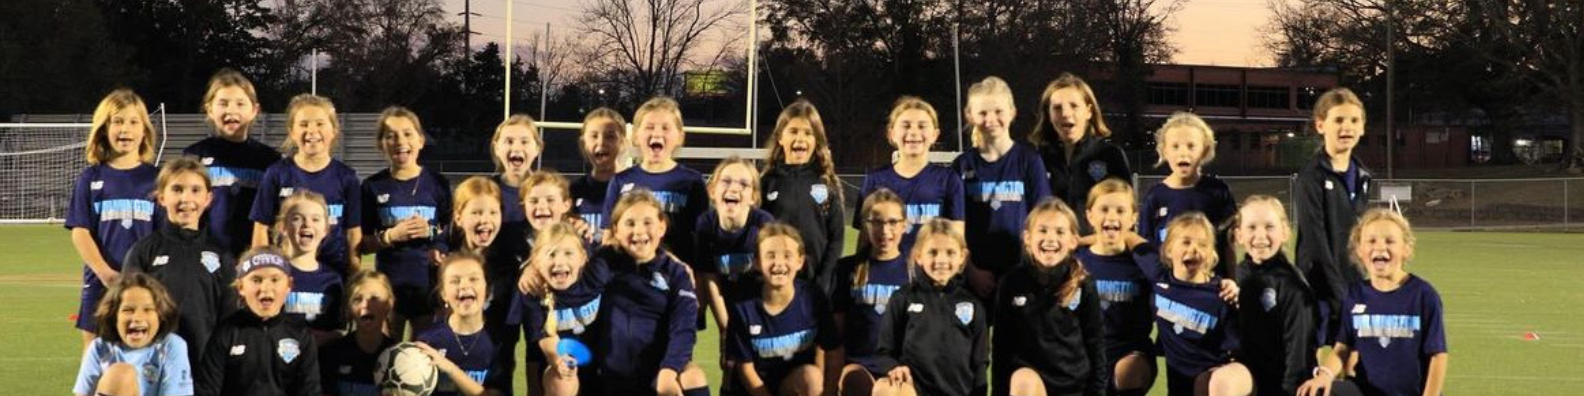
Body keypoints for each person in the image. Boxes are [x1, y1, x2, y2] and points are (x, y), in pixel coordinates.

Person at [1298, 209, 1448, 396]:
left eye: (1390, 241)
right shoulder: (1354, 295)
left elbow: (1437, 355)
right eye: (1371, 241)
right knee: (1318, 391)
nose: (1380, 247)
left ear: (1406, 249)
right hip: (1364, 390)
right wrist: (1325, 375)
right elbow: (1342, 348)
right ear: (1359, 250)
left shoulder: (1423, 295)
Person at [587, 191, 710, 396]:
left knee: (692, 376)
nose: (639, 232)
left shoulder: (676, 272)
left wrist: (669, 370)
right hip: (607, 378)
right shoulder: (603, 261)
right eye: (630, 223)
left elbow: (684, 329)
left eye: (647, 222)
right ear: (616, 230)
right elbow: (567, 263)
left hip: (656, 378)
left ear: (662, 227)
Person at [67, 88, 160, 344]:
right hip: (100, 284)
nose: (125, 129)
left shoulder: (156, 179)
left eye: (133, 122)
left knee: (143, 361)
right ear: (104, 129)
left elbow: (163, 237)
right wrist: (106, 274)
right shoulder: (91, 178)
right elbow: (80, 231)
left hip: (146, 285)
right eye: (117, 122)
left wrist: (149, 277)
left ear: (144, 130)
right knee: (95, 362)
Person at [122, 157, 235, 365]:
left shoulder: (221, 255)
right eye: (177, 189)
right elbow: (128, 308)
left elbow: (229, 317)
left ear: (208, 199)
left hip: (206, 365)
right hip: (155, 362)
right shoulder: (144, 251)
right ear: (161, 197)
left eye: (195, 190)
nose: (186, 198)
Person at [953, 76, 1053, 300]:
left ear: (1012, 112)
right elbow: (953, 229)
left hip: (1021, 274)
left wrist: (1028, 269)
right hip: (974, 277)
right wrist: (971, 271)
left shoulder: (1029, 160)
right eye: (982, 113)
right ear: (969, 115)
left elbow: (1042, 220)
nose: (991, 119)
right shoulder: (962, 165)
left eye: (998, 111)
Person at [991, 199, 1104, 396]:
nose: (1050, 238)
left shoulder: (1083, 284)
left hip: (1073, 386)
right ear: (1027, 238)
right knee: (1023, 379)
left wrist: (1097, 392)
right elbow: (1002, 345)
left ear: (1072, 241)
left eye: (1060, 232)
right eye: (1042, 231)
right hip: (1032, 384)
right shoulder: (1011, 282)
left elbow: (1095, 343)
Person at [360, 106, 451, 339]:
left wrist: (431, 234)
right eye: (391, 135)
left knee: (421, 361)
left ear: (420, 140)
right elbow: (361, 243)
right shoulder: (372, 186)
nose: (400, 141)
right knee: (384, 356)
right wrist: (390, 236)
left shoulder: (438, 184)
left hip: (427, 287)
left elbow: (449, 233)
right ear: (382, 144)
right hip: (388, 286)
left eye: (408, 134)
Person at [872, 218, 989, 396]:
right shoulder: (903, 298)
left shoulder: (973, 305)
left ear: (962, 257)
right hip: (914, 391)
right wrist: (894, 368)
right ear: (918, 256)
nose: (941, 259)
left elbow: (980, 363)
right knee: (884, 388)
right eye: (932, 252)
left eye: (950, 252)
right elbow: (884, 351)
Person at [1294, 88, 1374, 349]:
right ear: (1320, 125)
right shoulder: (1312, 177)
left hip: (1352, 283)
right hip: (1318, 288)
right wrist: (1339, 294)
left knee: (1354, 363)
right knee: (1310, 368)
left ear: (1362, 127)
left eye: (1354, 120)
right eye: (1338, 120)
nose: (1346, 127)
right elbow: (1316, 243)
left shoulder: (1362, 176)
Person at [723, 223, 840, 396]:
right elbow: (745, 369)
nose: (779, 263)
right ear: (756, 262)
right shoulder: (744, 306)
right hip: (755, 391)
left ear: (800, 261)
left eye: (787, 256)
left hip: (795, 384)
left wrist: (829, 392)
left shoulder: (812, 297)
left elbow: (834, 350)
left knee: (812, 377)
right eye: (770, 256)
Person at [250, 94, 362, 275]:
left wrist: (354, 276)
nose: (312, 131)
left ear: (334, 129)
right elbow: (261, 229)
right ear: (292, 132)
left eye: (320, 123)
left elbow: (353, 234)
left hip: (333, 276)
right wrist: (263, 272)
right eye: (303, 124)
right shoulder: (276, 174)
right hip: (286, 274)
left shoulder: (347, 177)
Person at [599, 97, 710, 266]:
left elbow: (702, 241)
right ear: (636, 135)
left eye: (666, 128)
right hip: (631, 277)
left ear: (680, 136)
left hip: (675, 282)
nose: (657, 134)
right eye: (649, 127)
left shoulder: (691, 181)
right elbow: (609, 237)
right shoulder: (621, 181)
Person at [196, 247, 321, 396]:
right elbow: (207, 390)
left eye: (275, 280)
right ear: (241, 286)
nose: (265, 289)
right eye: (256, 280)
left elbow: (310, 390)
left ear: (289, 285)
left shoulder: (301, 334)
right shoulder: (226, 333)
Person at [184, 68, 281, 257]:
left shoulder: (269, 160)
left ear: (255, 110)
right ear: (209, 109)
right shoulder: (194, 156)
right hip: (203, 259)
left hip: (251, 261)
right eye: (223, 103)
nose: (231, 110)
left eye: (240, 104)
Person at [1152, 213, 1252, 396]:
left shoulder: (1222, 295)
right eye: (1186, 242)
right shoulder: (1158, 285)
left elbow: (1238, 351)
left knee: (1205, 383)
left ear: (1211, 254)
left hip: (1214, 384)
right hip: (1179, 386)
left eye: (1203, 244)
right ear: (1168, 250)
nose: (1194, 249)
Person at [854, 96, 966, 255]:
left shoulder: (948, 180)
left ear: (935, 134)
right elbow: (865, 239)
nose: (913, 132)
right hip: (887, 277)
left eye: (922, 126)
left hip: (930, 276)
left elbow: (956, 240)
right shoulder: (875, 181)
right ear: (892, 133)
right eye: (906, 125)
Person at [760, 100, 846, 296]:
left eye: (808, 133)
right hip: (776, 285)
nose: (800, 139)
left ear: (817, 140)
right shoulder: (767, 182)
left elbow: (836, 239)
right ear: (780, 137)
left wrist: (823, 281)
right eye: (793, 131)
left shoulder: (826, 182)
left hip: (816, 287)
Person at [1231, 195, 1315, 396]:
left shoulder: (1292, 284)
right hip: (1247, 377)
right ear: (1238, 235)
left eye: (1269, 227)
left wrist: (1289, 390)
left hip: (1281, 384)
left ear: (1285, 232)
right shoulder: (1236, 275)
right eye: (1251, 228)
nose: (1260, 236)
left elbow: (1299, 349)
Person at [832, 189, 912, 396]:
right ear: (866, 225)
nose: (885, 231)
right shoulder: (846, 269)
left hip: (899, 368)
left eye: (892, 222)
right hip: (858, 364)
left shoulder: (914, 273)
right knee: (854, 380)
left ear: (905, 225)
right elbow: (836, 331)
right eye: (876, 222)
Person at [1026, 73, 1129, 233]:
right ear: (1048, 114)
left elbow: (1124, 214)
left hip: (1095, 252)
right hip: (1051, 251)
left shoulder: (1110, 155)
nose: (1065, 113)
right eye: (1057, 108)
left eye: (1074, 106)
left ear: (1088, 111)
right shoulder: (1036, 157)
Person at [1138, 112, 1237, 274]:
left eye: (1191, 146)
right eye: (1175, 146)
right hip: (1169, 291)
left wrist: (1232, 280)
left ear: (1204, 151)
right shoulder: (1155, 197)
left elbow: (1229, 244)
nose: (1183, 153)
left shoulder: (1218, 192)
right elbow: (1145, 249)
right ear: (1164, 151)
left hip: (1210, 287)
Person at [73, 273, 193, 396]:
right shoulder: (100, 347)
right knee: (121, 374)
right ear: (114, 316)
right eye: (128, 310)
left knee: (122, 374)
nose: (137, 317)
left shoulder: (172, 346)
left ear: (161, 316)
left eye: (148, 310)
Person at [414, 253, 516, 396]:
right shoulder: (428, 341)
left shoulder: (499, 340)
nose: (464, 286)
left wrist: (450, 369)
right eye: (455, 281)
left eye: (473, 279)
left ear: (487, 289)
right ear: (443, 293)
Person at [275, 191, 346, 347]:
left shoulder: (333, 280)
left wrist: (327, 337)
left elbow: (340, 329)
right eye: (297, 218)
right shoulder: (274, 274)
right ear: (283, 227)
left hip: (319, 363)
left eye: (315, 219)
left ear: (326, 230)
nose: (307, 224)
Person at [318, 271, 399, 396]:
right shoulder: (332, 354)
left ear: (388, 304)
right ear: (348, 308)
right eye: (357, 299)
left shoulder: (399, 358)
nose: (364, 306)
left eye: (374, 299)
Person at [571, 108, 628, 246]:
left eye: (610, 136)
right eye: (594, 136)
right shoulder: (573, 190)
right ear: (583, 144)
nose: (601, 142)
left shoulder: (637, 186)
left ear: (623, 142)